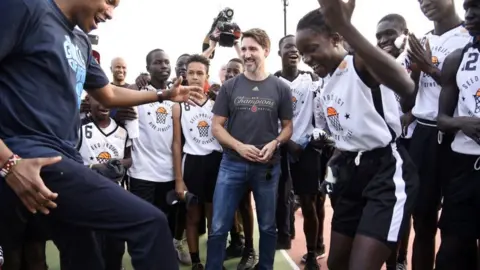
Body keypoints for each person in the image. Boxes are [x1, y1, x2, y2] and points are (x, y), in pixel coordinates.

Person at [0, 0, 202, 269]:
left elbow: (107, 93)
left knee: (87, 254)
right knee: (150, 224)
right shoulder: (25, 7)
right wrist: (8, 162)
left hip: (65, 160)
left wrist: (163, 94)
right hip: (29, 156)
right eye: (109, 1)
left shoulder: (81, 41)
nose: (110, 13)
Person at [296, 1, 418, 269]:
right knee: (336, 263)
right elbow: (347, 132)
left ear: (337, 39)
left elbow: (407, 86)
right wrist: (335, 161)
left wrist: (346, 25)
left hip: (386, 172)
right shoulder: (325, 81)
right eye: (302, 53)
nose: (306, 59)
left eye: (312, 49)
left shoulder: (359, 64)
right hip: (351, 173)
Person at [206, 28, 293, 270]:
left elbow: (287, 128)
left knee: (267, 226)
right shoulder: (229, 87)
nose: (247, 54)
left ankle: (264, 267)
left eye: (253, 49)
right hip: (232, 164)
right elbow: (216, 127)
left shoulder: (280, 87)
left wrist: (275, 143)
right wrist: (239, 146)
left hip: (267, 167)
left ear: (266, 51)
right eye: (243, 48)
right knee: (218, 226)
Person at [400, 1, 471, 269]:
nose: (425, 3)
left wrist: (429, 67)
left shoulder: (469, 35)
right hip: (424, 136)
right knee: (423, 220)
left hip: (458, 136)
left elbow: (465, 89)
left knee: (459, 227)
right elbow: (408, 101)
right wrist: (417, 72)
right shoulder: (421, 40)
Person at [127, 49, 192, 266]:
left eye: (166, 62)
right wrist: (137, 83)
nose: (163, 66)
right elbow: (118, 97)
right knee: (142, 225)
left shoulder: (176, 98)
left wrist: (179, 177)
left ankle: (164, 257)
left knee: (165, 222)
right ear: (147, 68)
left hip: (168, 174)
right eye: (157, 62)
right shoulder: (138, 92)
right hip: (141, 173)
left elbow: (176, 141)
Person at [274, 35, 325, 270]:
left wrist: (312, 137)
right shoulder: (272, 82)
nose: (293, 51)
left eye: (296, 48)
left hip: (306, 149)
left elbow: (320, 112)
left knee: (309, 202)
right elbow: (269, 118)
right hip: (281, 147)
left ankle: (312, 253)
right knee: (279, 199)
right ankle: (281, 238)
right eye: (288, 48)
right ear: (279, 53)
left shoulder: (311, 79)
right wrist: (285, 141)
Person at [436, 1, 480, 268]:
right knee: (452, 250)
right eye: (467, 8)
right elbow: (441, 119)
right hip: (463, 166)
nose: (469, 14)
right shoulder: (457, 58)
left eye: (477, 7)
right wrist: (463, 123)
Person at [172, 54, 223, 270]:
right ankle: (196, 262)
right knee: (192, 216)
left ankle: (214, 261)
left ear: (206, 76)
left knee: (214, 219)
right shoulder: (178, 105)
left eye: (199, 73)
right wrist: (179, 180)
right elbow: (176, 144)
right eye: (191, 72)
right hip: (192, 163)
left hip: (215, 163)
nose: (194, 77)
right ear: (185, 75)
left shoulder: (217, 103)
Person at [77, 95, 132, 270]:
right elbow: (70, 159)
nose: (103, 104)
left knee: (115, 248)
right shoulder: (78, 127)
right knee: (90, 249)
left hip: (115, 197)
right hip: (86, 199)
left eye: (106, 99)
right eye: (97, 99)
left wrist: (116, 165)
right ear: (88, 101)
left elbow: (129, 159)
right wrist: (96, 167)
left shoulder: (122, 130)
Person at [375, 13, 413, 270]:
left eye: (389, 33)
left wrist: (409, 117)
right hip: (386, 146)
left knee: (408, 209)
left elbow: (421, 100)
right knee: (389, 209)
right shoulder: (374, 66)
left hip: (414, 143)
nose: (383, 40)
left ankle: (400, 258)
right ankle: (390, 258)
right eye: (378, 36)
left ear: (405, 33)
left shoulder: (414, 59)